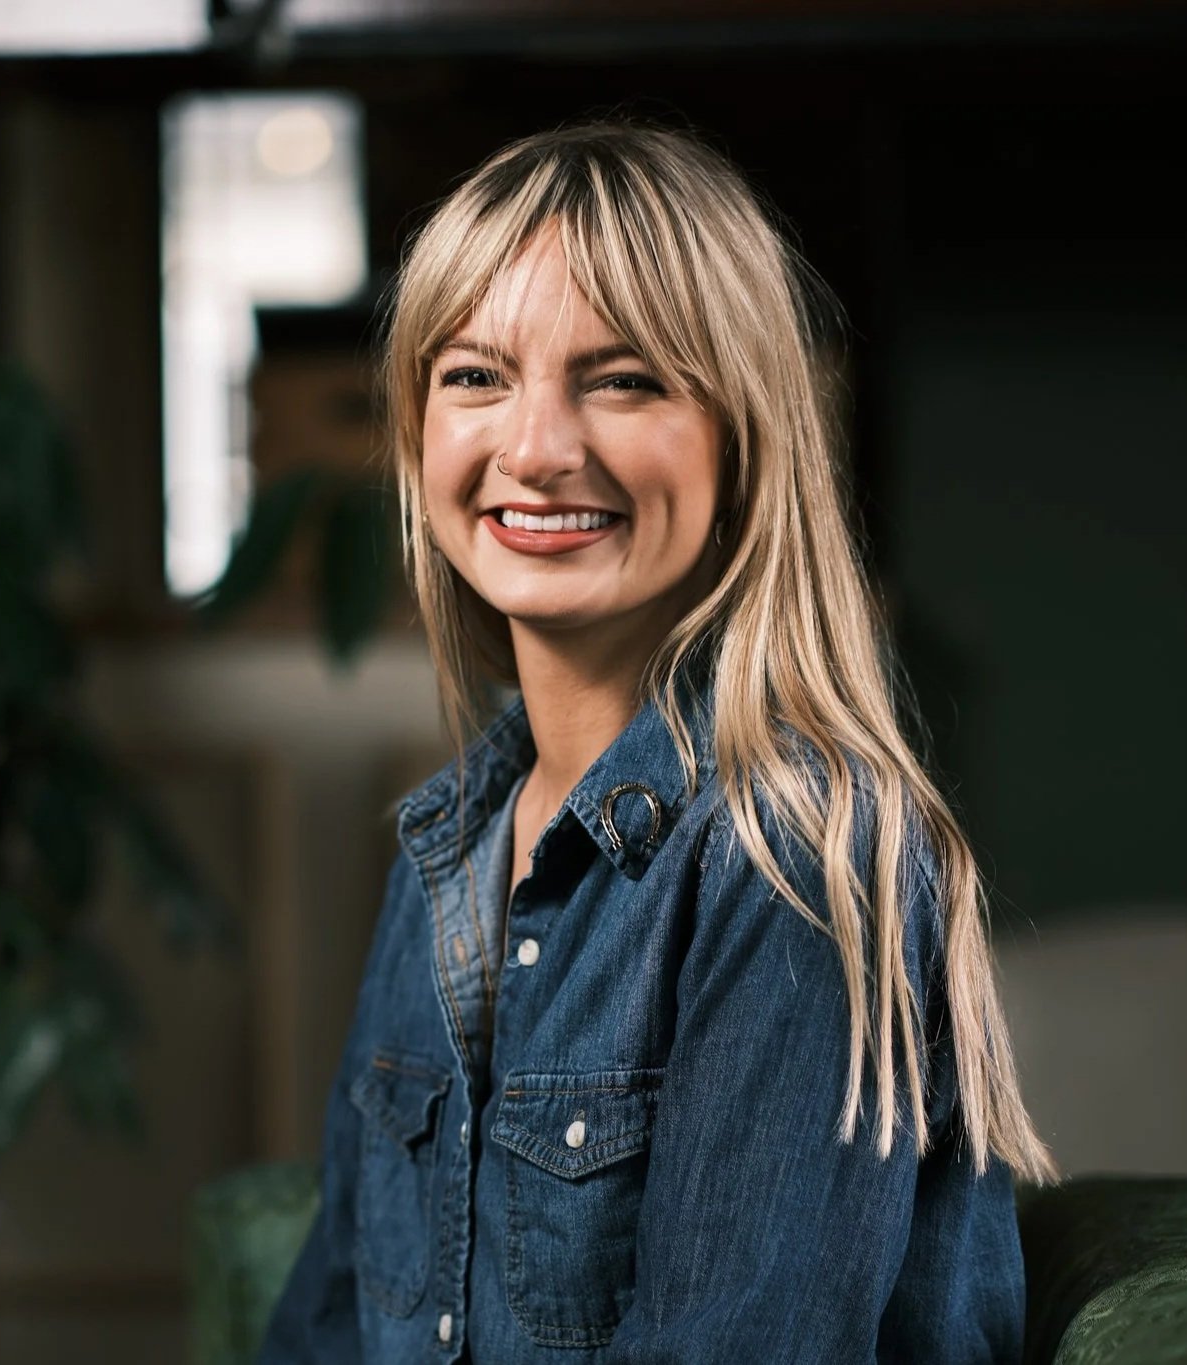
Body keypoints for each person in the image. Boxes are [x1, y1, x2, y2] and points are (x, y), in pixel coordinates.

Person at [258, 121, 1055, 1364]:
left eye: (622, 378)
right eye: (476, 374)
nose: (536, 447)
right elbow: (325, 1328)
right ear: (417, 435)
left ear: (743, 441)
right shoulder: (451, 848)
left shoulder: (796, 856)